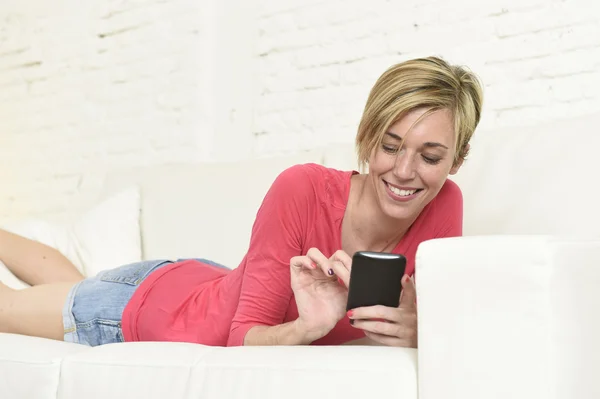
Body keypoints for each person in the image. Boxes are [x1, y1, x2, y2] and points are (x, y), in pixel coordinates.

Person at [0, 56, 483, 348]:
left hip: (209, 282)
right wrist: (304, 329)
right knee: (15, 306)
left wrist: (422, 330)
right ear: (367, 137)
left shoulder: (444, 205)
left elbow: (432, 322)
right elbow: (240, 338)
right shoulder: (303, 188)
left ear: (456, 160)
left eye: (430, 156)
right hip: (143, 309)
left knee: (77, 285)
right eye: (391, 146)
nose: (403, 171)